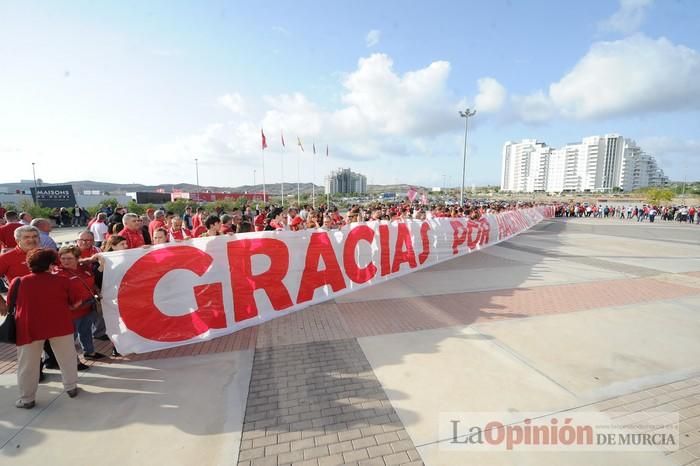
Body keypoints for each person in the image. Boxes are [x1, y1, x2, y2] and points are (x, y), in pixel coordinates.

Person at [2, 249, 81, 408]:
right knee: (67, 359)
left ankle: (27, 398)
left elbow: (11, 303)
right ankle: (71, 387)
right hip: (60, 324)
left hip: (29, 327)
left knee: (27, 364)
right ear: (51, 264)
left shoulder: (18, 281)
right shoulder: (63, 280)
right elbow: (75, 303)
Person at [56, 246, 107, 361]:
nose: (65, 261)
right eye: (63, 258)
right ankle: (72, 361)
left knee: (86, 332)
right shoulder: (59, 273)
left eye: (69, 258)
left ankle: (89, 352)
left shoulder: (84, 268)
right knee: (70, 338)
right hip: (72, 313)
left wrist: (97, 291)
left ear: (77, 258)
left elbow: (91, 282)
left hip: (87, 307)